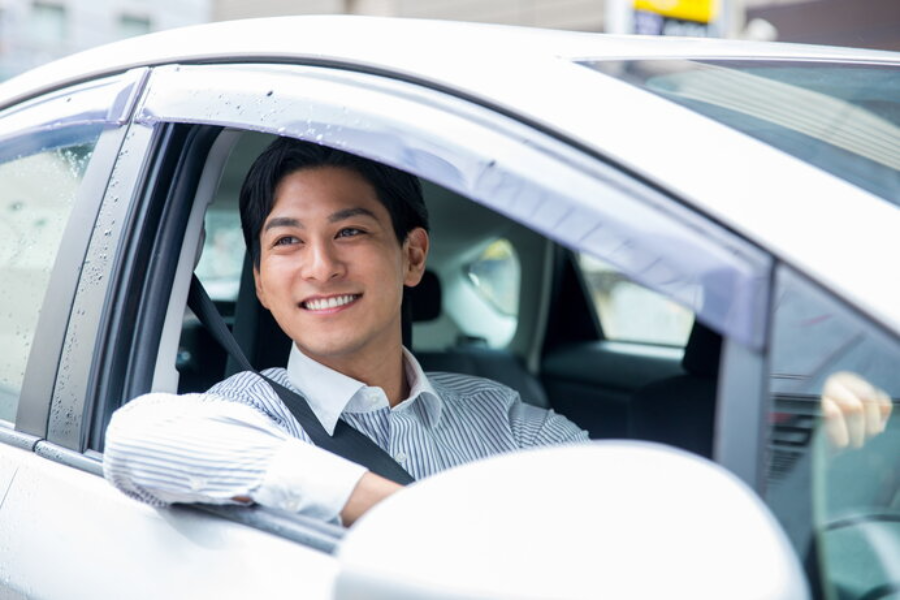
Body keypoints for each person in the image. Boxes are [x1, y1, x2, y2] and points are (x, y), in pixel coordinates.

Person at [103, 137, 588, 526]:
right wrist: (395, 510)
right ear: (261, 284)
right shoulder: (242, 413)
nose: (322, 267)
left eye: (350, 232)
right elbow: (134, 437)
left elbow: (618, 501)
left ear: (413, 256)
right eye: (288, 240)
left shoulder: (503, 418)